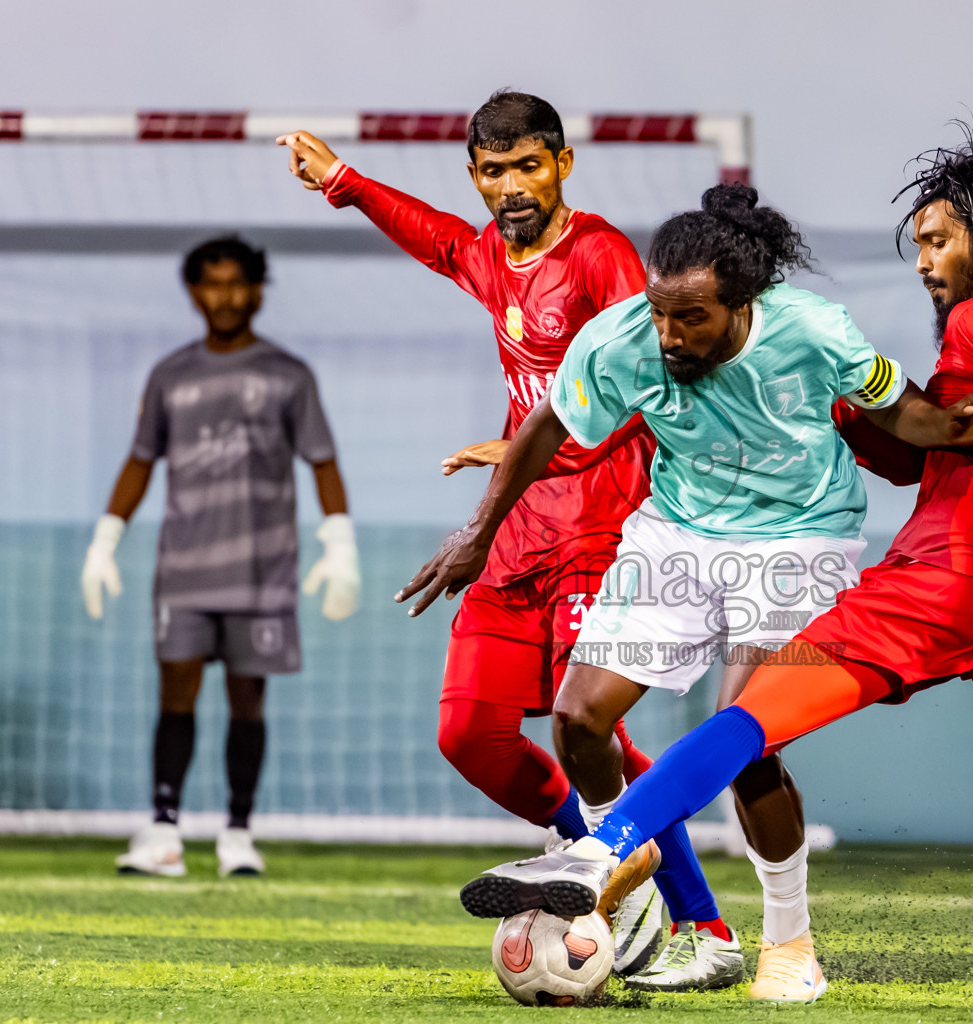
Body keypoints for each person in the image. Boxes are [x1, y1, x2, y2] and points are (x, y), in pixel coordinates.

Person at [460, 143, 973, 1012]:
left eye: (937, 242)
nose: (923, 263)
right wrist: (855, 418)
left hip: (948, 585)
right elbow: (932, 445)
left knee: (751, 718)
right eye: (919, 245)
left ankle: (603, 851)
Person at [401, 181, 973, 1001]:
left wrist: (955, 425)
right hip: (678, 532)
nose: (668, 334)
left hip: (801, 538)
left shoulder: (814, 328)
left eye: (690, 318)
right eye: (660, 312)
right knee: (578, 720)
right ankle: (641, 895)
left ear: (742, 303)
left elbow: (902, 412)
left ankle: (789, 945)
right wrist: (478, 533)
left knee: (747, 739)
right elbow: (546, 427)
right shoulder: (620, 339)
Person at [275, 90, 718, 981]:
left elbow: (654, 389)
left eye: (527, 167)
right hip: (517, 529)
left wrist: (529, 449)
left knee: (586, 728)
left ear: (561, 164)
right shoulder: (492, 254)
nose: (511, 187)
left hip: (600, 525)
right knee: (470, 733)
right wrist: (345, 181)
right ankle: (594, 847)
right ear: (475, 176)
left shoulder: (599, 256)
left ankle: (694, 918)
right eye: (492, 171)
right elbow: (439, 240)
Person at [81, 236, 361, 878]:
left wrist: (340, 545)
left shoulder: (289, 375)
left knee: (247, 702)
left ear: (258, 291)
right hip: (183, 573)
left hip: (262, 574)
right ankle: (163, 831)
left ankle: (237, 834)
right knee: (175, 696)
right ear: (193, 292)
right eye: (212, 284)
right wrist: (105, 541)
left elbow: (323, 462)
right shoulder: (170, 375)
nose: (225, 297)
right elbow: (139, 460)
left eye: (238, 283)